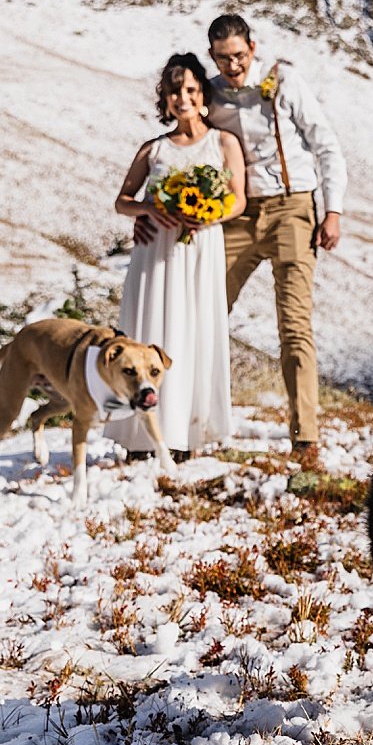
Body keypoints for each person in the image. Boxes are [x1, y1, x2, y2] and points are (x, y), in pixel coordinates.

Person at [142, 14, 347, 466]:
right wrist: (155, 208)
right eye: (223, 58)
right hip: (235, 215)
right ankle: (182, 426)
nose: (233, 64)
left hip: (293, 209)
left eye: (239, 55)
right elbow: (184, 145)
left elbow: (325, 143)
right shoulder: (209, 93)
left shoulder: (284, 81)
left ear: (253, 48)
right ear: (213, 56)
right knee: (203, 313)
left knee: (294, 325)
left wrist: (332, 210)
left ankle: (305, 438)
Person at [110, 53, 247, 460]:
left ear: (202, 93)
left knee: (192, 333)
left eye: (189, 89)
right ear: (165, 99)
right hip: (155, 253)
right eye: (173, 91)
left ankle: (184, 434)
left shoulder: (224, 143)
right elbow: (122, 201)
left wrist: (207, 216)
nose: (181, 97)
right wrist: (148, 210)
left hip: (201, 249)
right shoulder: (153, 150)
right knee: (149, 332)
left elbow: (238, 201)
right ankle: (140, 437)